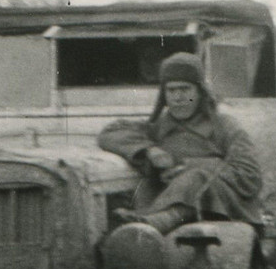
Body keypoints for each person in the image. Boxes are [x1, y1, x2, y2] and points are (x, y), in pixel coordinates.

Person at [98, 52, 263, 235]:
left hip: (223, 211)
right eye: (171, 90)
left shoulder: (225, 127)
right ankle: (151, 223)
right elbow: (111, 133)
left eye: (185, 89)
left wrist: (193, 166)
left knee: (196, 177)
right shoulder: (158, 128)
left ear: (200, 92)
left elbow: (250, 176)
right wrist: (149, 150)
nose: (178, 98)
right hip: (167, 202)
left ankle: (156, 221)